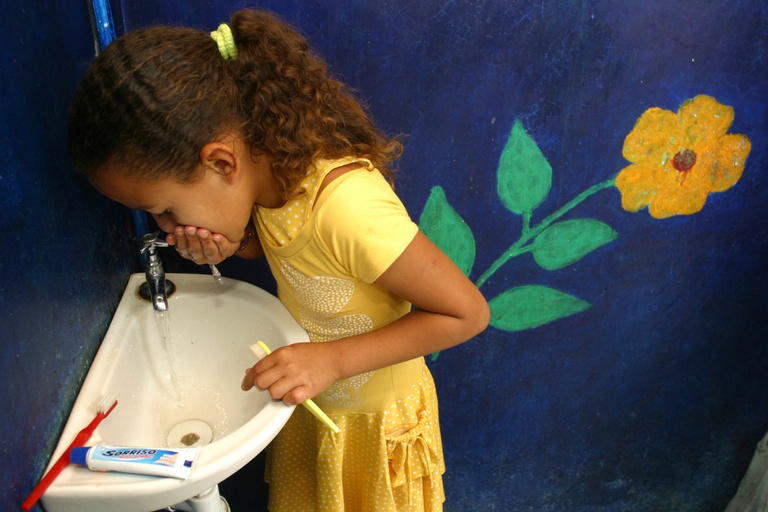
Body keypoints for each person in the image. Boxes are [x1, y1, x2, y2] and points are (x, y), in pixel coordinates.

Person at [68, 9, 489, 512]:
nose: (164, 227)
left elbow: (467, 313)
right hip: (321, 403)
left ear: (221, 162)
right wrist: (234, 246)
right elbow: (301, 258)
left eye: (164, 210)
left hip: (377, 424)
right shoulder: (269, 186)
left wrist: (331, 360)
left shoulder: (345, 207)